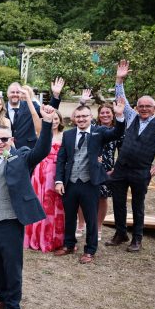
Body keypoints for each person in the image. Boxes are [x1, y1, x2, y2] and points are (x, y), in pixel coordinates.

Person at [0, 106, 56, 309]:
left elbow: (41, 150)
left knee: (12, 265)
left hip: (11, 221)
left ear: (11, 139)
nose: (0, 143)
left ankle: (12, 308)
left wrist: (47, 122)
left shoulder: (21, 156)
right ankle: (1, 298)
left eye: (4, 139)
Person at [106, 60, 155, 251]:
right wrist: (119, 80)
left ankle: (137, 239)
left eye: (148, 106)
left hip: (141, 172)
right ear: (137, 107)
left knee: (138, 206)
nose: (144, 108)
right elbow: (120, 98)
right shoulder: (131, 117)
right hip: (121, 169)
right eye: (141, 105)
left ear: (154, 108)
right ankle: (121, 233)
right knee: (119, 203)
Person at [53, 101, 126, 263]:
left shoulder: (99, 132)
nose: (81, 119)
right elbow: (61, 158)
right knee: (69, 215)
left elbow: (117, 133)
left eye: (84, 116)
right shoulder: (69, 134)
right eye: (78, 116)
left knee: (91, 217)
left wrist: (120, 116)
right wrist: (59, 180)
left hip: (90, 181)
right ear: (74, 119)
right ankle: (69, 244)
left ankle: (90, 250)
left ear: (91, 117)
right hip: (70, 181)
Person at [23, 109, 65, 252]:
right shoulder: (42, 133)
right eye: (51, 119)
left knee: (53, 204)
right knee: (39, 202)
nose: (53, 121)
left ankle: (52, 237)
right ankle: (36, 237)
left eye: (56, 118)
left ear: (60, 120)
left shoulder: (65, 136)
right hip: (40, 171)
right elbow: (35, 116)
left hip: (55, 173)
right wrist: (28, 98)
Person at [5, 79, 63, 148]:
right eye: (12, 92)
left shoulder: (31, 105)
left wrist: (56, 95)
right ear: (7, 94)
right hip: (8, 149)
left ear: (21, 94)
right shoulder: (2, 108)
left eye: (17, 92)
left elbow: (48, 111)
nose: (15, 94)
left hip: (28, 148)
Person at [95, 102, 124, 235]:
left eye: (108, 112)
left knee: (102, 197)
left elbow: (123, 152)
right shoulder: (92, 128)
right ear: (98, 115)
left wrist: (116, 169)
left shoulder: (118, 132)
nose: (105, 115)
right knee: (84, 196)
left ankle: (98, 227)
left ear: (113, 115)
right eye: (102, 112)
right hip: (89, 167)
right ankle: (81, 224)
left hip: (107, 169)